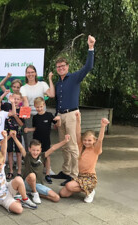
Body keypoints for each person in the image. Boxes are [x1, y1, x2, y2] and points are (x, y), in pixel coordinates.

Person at [51, 35, 96, 186]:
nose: (61, 68)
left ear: (67, 66)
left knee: (72, 145)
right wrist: (56, 116)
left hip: (71, 115)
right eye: (58, 67)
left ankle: (75, 174)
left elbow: (88, 66)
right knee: (63, 144)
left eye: (63, 66)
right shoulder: (58, 84)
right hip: (61, 116)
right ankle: (65, 171)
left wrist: (90, 47)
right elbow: (57, 101)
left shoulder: (75, 77)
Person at [0, 130, 37, 213]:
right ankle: (17, 200)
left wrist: (5, 137)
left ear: (2, 163)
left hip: (7, 187)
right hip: (2, 197)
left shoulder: (0, 166)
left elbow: (4, 151)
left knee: (19, 179)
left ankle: (24, 199)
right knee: (19, 210)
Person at [59, 112, 109, 203]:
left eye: (89, 140)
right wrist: (78, 119)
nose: (87, 142)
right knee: (63, 194)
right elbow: (78, 133)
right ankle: (83, 188)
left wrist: (103, 126)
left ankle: (90, 191)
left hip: (90, 177)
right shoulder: (80, 146)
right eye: (85, 140)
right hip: (79, 176)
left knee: (69, 186)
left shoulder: (96, 149)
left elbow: (100, 140)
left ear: (94, 140)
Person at [11, 130, 70, 203]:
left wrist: (64, 141)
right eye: (33, 150)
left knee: (56, 198)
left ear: (40, 150)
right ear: (29, 149)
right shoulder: (27, 156)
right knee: (32, 175)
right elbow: (21, 148)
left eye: (37, 150)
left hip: (37, 184)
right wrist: (14, 138)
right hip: (26, 183)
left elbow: (53, 148)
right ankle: (35, 193)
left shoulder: (42, 156)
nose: (35, 152)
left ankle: (31, 193)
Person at [24, 97, 61, 184]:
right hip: (36, 140)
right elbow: (35, 128)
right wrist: (28, 129)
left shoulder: (49, 115)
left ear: (44, 105)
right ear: (35, 107)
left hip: (46, 140)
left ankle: (47, 174)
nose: (39, 109)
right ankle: (36, 173)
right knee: (36, 156)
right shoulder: (35, 117)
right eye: (37, 107)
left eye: (40, 106)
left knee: (47, 156)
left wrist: (59, 120)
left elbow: (57, 126)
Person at [20, 69, 55, 149]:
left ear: (35, 73)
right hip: (30, 116)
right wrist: (26, 114)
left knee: (43, 141)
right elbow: (25, 102)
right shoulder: (23, 88)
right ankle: (30, 160)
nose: (30, 74)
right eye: (28, 72)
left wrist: (50, 79)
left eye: (32, 72)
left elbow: (52, 94)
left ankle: (43, 159)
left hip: (42, 115)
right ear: (26, 74)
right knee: (29, 141)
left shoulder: (42, 84)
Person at [5, 92, 24, 179]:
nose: (15, 100)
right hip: (9, 134)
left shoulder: (22, 110)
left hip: (18, 134)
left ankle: (19, 171)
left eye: (17, 99)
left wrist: (16, 116)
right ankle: (11, 171)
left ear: (20, 100)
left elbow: (21, 124)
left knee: (18, 152)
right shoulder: (8, 107)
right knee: (9, 152)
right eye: (14, 99)